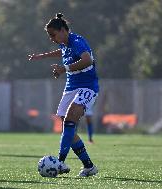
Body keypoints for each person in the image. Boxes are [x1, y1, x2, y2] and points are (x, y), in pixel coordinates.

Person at [28, 13, 99, 176]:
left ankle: (60, 161)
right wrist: (41, 56)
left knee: (70, 121)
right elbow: (62, 52)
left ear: (62, 31)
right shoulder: (65, 43)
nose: (52, 39)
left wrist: (64, 69)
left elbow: (87, 60)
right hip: (71, 88)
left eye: (53, 35)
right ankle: (89, 166)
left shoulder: (77, 41)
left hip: (87, 87)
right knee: (69, 129)